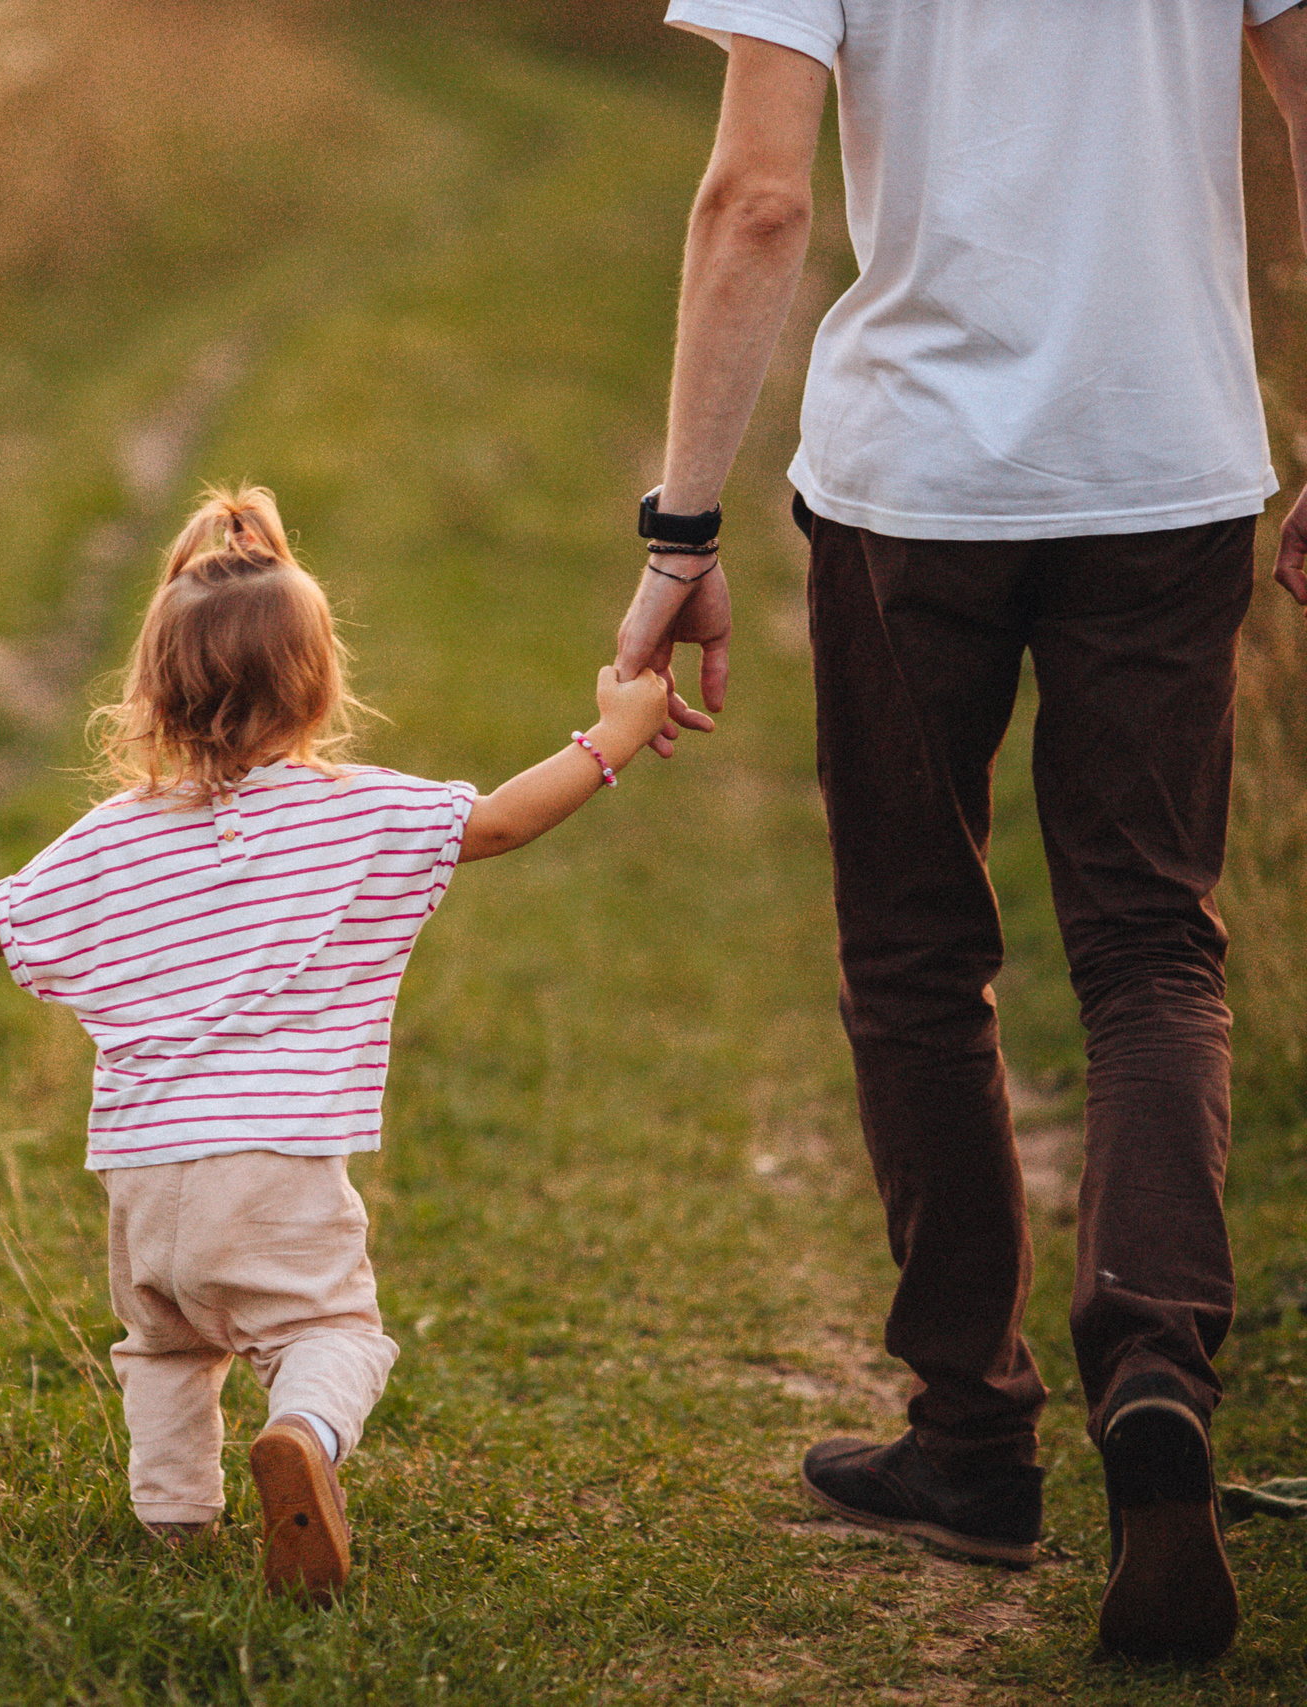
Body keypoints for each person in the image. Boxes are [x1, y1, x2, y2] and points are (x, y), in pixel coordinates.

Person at [614, 0, 1307, 1663]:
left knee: (921, 953)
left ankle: (977, 1440)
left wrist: (680, 523)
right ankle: (1153, 1367)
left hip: (914, 489)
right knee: (1151, 947)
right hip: (1167, 469)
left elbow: (756, 200)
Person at [0, 486, 671, 1602]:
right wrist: (614, 735)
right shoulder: (356, 810)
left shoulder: (110, 839)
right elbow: (499, 820)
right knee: (332, 1333)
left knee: (166, 1349)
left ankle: (174, 1523)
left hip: (142, 1177)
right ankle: (304, 1436)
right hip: (272, 1166)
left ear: (153, 691)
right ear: (317, 685)